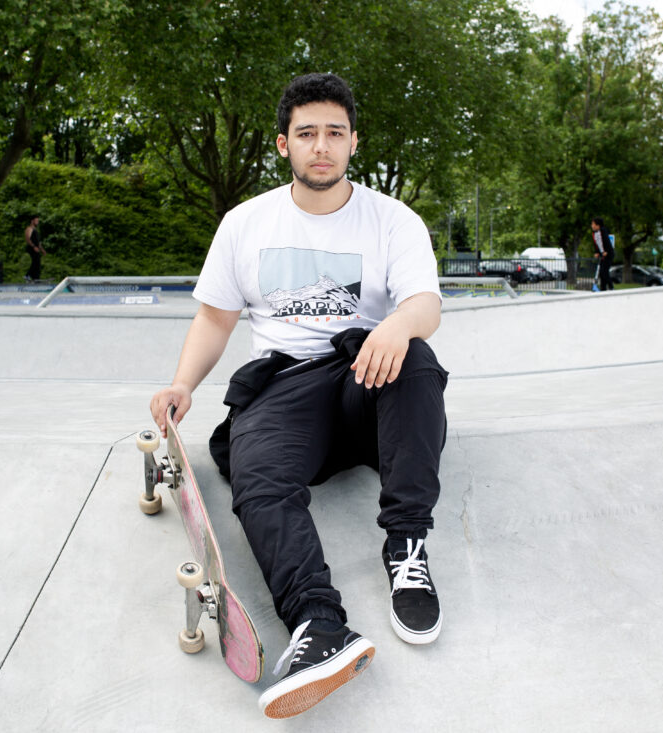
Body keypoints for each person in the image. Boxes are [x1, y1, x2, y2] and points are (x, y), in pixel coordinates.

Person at [149, 73, 448, 719]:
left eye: (334, 134)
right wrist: (182, 383)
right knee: (255, 476)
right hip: (283, 390)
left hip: (362, 382)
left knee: (415, 357)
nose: (321, 146)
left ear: (353, 143)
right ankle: (318, 623)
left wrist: (395, 325)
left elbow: (425, 302)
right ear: (283, 144)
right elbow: (214, 319)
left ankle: (406, 544)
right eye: (306, 134)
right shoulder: (246, 222)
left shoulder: (391, 219)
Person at [591, 217, 615, 291]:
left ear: (598, 225)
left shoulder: (603, 231)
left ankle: (611, 287)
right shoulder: (594, 233)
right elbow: (597, 244)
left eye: (593, 224)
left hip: (608, 254)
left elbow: (607, 242)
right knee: (601, 273)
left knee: (604, 271)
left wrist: (606, 251)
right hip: (602, 254)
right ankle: (603, 288)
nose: (592, 226)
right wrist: (597, 252)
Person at [24, 215, 46, 282]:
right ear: (32, 221)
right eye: (36, 221)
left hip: (36, 248)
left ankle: (35, 278)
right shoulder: (29, 229)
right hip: (31, 248)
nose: (37, 222)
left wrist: (42, 250)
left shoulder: (36, 230)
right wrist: (33, 247)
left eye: (38, 221)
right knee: (35, 262)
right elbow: (27, 239)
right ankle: (27, 275)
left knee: (38, 263)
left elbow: (38, 242)